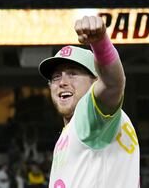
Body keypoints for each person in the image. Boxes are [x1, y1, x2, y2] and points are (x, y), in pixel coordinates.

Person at [38, 16, 140, 187]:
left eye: (73, 73)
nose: (62, 82)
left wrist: (101, 44)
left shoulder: (89, 116)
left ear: (95, 81)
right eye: (56, 77)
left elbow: (113, 83)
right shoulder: (74, 129)